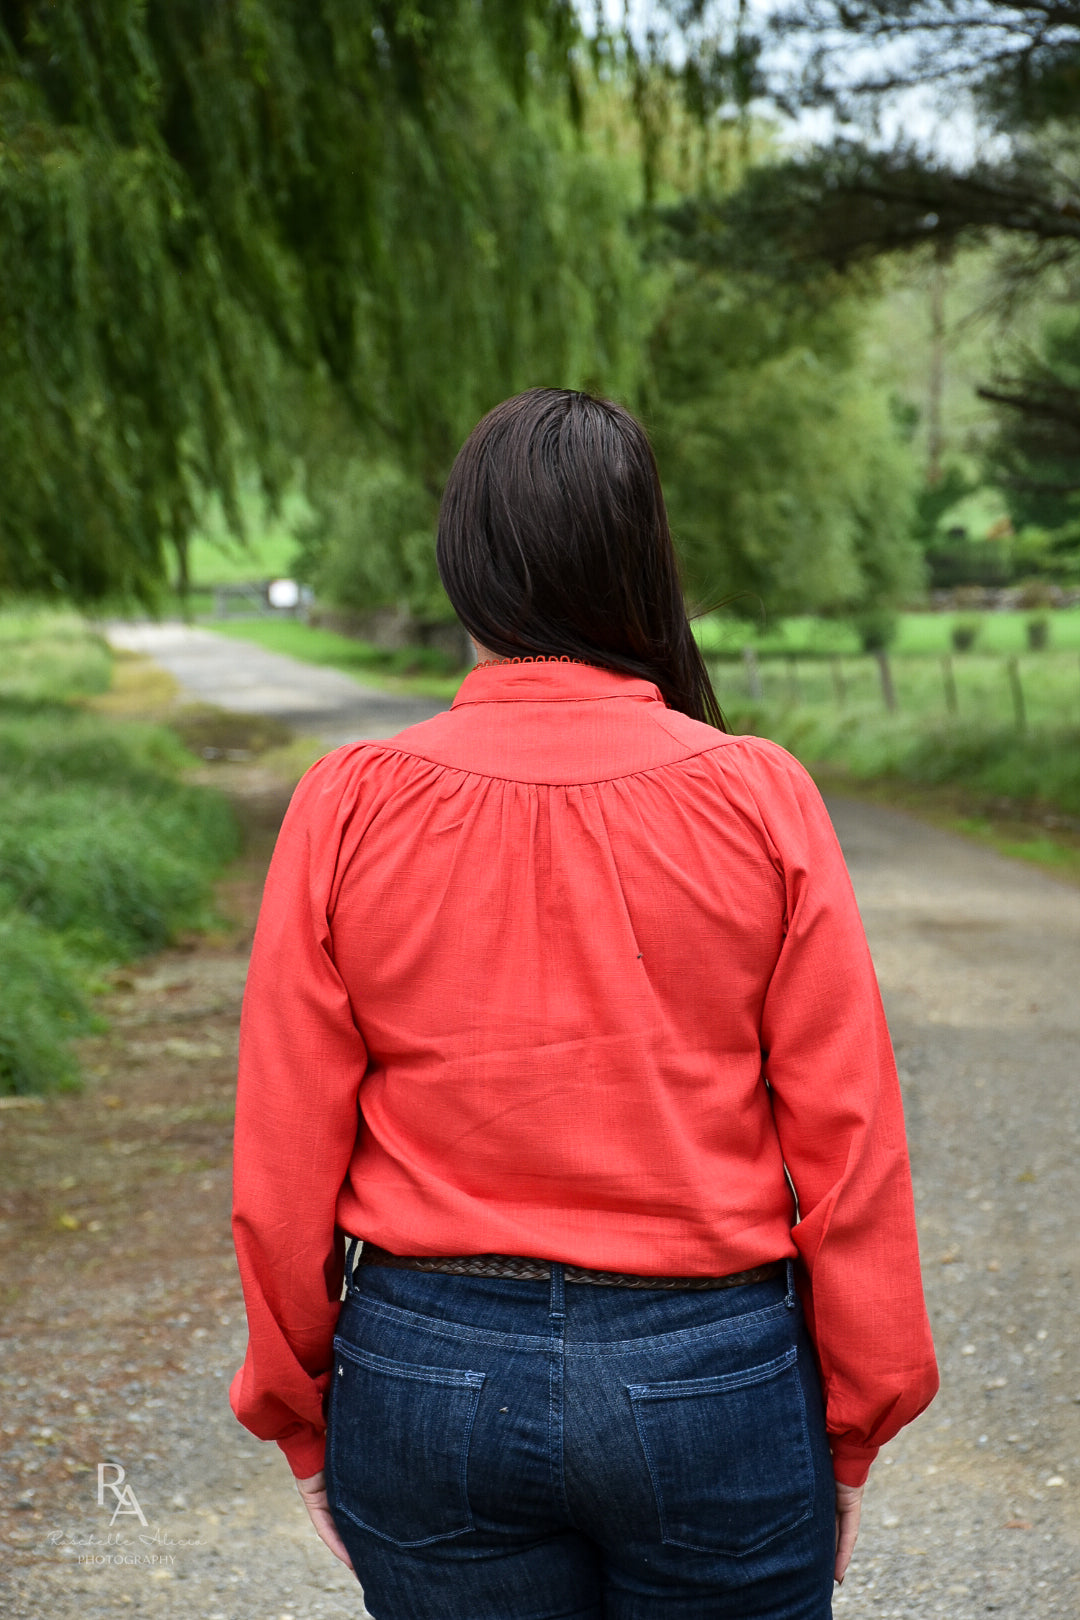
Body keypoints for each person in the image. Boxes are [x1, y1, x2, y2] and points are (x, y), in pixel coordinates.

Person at [230, 387, 938, 1619]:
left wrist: (298, 1412)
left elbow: (286, 1148)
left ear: (465, 561)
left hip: (425, 1367)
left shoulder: (347, 802)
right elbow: (850, 1138)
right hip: (710, 1375)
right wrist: (858, 1414)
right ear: (642, 557)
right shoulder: (759, 796)